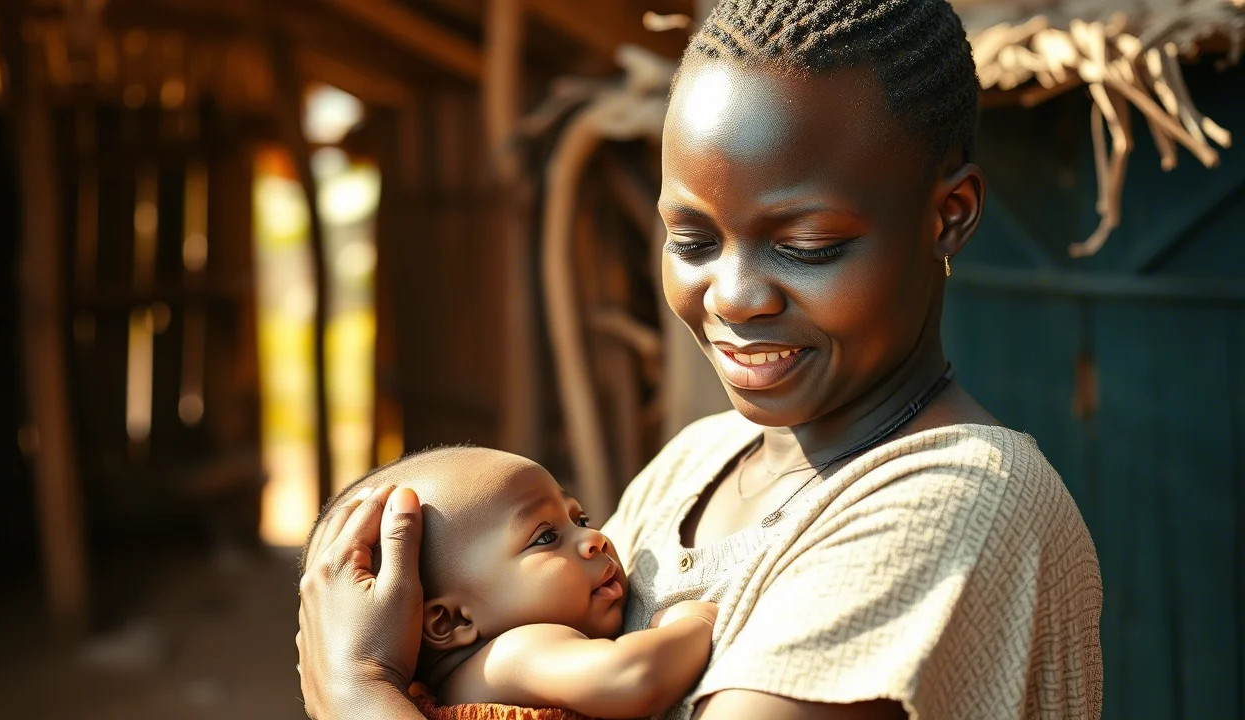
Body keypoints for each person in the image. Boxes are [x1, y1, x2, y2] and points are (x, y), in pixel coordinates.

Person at [297, 1, 1104, 718]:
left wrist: (362, 696)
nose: (733, 296)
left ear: (949, 216)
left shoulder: (952, 504)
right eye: (692, 241)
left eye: (807, 245)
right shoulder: (693, 465)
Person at [298, 446, 719, 719]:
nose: (594, 540)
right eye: (546, 538)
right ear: (450, 622)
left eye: (580, 519)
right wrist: (694, 622)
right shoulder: (513, 653)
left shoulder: (432, 691)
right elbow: (632, 676)